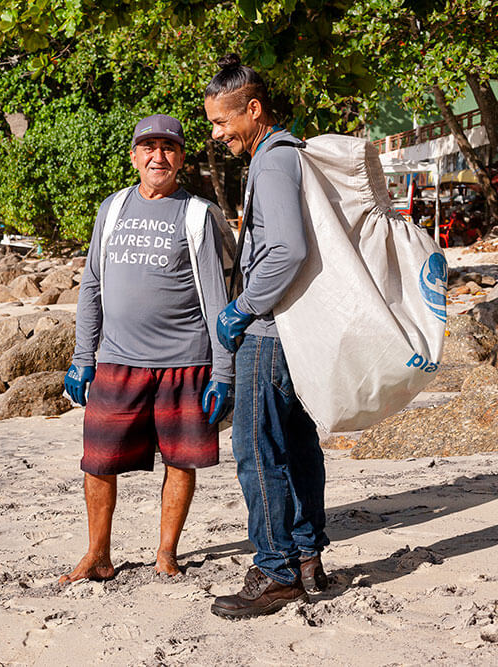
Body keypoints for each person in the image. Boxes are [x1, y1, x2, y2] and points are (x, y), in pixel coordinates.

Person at [60, 114, 234, 583]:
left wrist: (224, 372)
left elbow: (218, 298)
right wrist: (82, 357)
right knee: (97, 463)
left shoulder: (197, 214)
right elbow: (92, 286)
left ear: (180, 157)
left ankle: (166, 553)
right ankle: (97, 554)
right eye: (149, 148)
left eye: (169, 148)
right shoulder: (111, 209)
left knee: (181, 461)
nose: (159, 157)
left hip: (186, 363)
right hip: (117, 362)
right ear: (134, 155)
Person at [203, 54, 330, 619]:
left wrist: (241, 309)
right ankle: (306, 559)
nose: (217, 134)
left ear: (252, 111)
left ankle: (275, 570)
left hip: (269, 332)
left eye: (221, 122)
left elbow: (289, 250)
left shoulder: (273, 163)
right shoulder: (289, 154)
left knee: (257, 451)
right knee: (298, 445)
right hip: (293, 330)